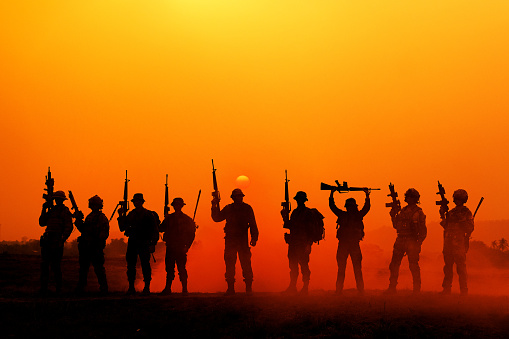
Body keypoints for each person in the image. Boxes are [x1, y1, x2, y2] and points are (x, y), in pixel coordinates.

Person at [212, 188, 259, 295]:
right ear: (233, 198)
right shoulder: (228, 208)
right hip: (230, 240)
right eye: (237, 196)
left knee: (246, 264)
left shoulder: (247, 208)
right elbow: (217, 218)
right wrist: (214, 205)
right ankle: (230, 288)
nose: (239, 198)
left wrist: (254, 237)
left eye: (240, 196)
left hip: (242, 240)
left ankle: (248, 288)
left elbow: (252, 224)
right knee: (229, 264)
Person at [281, 191, 324, 295]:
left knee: (304, 265)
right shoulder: (295, 212)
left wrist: (308, 244)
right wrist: (284, 215)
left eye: (301, 199)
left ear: (304, 200)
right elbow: (289, 225)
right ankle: (293, 286)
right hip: (294, 242)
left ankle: (305, 287)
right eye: (298, 199)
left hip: (303, 243)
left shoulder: (308, 213)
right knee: (293, 266)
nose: (299, 201)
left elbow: (312, 230)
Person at [329, 188, 370, 295]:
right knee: (343, 269)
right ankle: (340, 291)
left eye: (351, 206)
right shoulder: (352, 215)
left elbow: (367, 208)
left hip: (352, 245)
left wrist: (367, 196)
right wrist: (331, 194)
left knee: (355, 269)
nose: (350, 208)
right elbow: (332, 207)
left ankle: (359, 290)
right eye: (349, 206)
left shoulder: (355, 215)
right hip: (345, 244)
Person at [386, 188, 427, 294]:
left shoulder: (419, 212)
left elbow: (423, 230)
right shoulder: (402, 211)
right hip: (400, 239)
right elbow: (396, 226)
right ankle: (392, 287)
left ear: (415, 199)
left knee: (413, 265)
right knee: (394, 264)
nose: (409, 199)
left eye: (411, 197)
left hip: (412, 240)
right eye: (408, 197)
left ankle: (416, 289)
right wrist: (393, 216)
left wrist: (419, 242)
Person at [117, 193, 159, 294]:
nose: (137, 203)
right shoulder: (131, 214)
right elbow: (122, 228)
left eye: (138, 201)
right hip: (133, 242)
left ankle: (147, 287)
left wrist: (153, 243)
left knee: (145, 265)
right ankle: (131, 287)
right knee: (131, 265)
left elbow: (155, 230)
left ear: (142, 202)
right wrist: (121, 215)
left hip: (144, 242)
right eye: (135, 201)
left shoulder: (149, 214)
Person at [439, 189, 474, 295]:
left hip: (459, 243)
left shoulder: (467, 213)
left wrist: (461, 221)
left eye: (460, 199)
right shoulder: (451, 212)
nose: (457, 200)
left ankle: (464, 290)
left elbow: (470, 228)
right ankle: (446, 289)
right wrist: (442, 214)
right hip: (449, 242)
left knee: (461, 268)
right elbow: (445, 225)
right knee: (447, 267)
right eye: (456, 198)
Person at [38, 190, 74, 294]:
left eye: (59, 199)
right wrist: (43, 209)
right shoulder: (51, 210)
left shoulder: (65, 211)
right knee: (45, 265)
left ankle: (59, 288)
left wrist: (62, 239)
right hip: (48, 239)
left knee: (56, 265)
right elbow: (42, 223)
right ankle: (44, 288)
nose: (57, 201)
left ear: (62, 200)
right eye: (56, 199)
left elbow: (68, 227)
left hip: (57, 239)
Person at [159, 197, 196, 295]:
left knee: (181, 269)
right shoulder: (169, 218)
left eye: (179, 205)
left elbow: (191, 234)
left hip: (180, 247)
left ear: (181, 206)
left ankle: (184, 289)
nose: (177, 206)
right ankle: (168, 288)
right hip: (171, 246)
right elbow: (161, 229)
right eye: (176, 205)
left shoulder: (187, 219)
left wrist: (187, 246)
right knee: (169, 269)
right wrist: (164, 218)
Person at [74, 195, 109, 294]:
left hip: (95, 247)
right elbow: (84, 230)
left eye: (94, 204)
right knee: (83, 269)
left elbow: (104, 232)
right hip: (86, 246)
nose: (93, 206)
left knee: (98, 269)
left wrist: (97, 242)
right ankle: (81, 287)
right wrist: (78, 221)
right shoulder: (89, 217)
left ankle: (104, 288)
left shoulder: (101, 217)